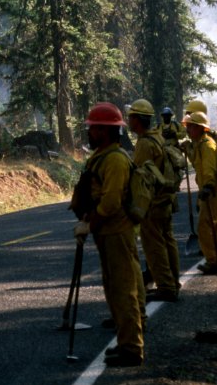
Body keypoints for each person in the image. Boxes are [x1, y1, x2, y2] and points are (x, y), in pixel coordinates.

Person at [72, 102, 145, 367]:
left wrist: (89, 225)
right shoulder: (102, 155)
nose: (89, 132)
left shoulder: (114, 159)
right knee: (114, 289)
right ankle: (125, 342)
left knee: (123, 290)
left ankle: (132, 349)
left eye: (93, 128)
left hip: (116, 231)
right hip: (106, 232)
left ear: (105, 130)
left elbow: (112, 202)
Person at [127, 99, 180, 303]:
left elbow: (139, 177)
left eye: (131, 117)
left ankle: (166, 287)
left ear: (137, 120)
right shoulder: (156, 137)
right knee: (168, 240)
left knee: (154, 245)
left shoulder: (144, 144)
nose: (128, 121)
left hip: (153, 203)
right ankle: (172, 282)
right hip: (165, 199)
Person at [184, 111, 217, 274]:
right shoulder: (200, 144)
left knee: (205, 227)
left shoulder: (207, 145)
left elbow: (209, 169)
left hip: (213, 192)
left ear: (199, 128)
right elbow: (198, 164)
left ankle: (213, 262)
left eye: (190, 127)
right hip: (212, 191)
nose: (188, 130)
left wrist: (208, 187)